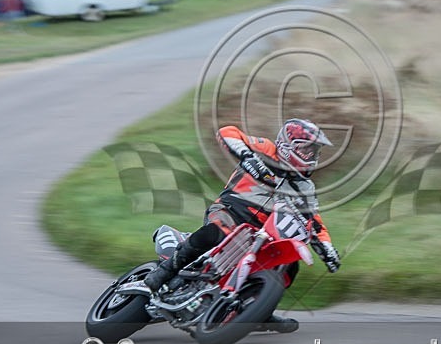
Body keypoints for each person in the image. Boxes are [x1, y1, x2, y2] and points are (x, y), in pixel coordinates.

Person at [145, 118, 341, 332]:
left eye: (314, 151)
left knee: (289, 263)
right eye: (306, 149)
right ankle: (165, 271)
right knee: (219, 231)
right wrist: (248, 156)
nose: (311, 156)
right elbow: (228, 132)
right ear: (287, 145)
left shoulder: (305, 187)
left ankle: (258, 310)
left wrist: (327, 248)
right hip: (230, 211)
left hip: (261, 234)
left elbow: (313, 220)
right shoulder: (266, 149)